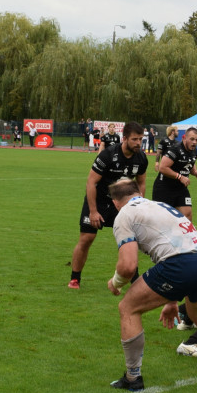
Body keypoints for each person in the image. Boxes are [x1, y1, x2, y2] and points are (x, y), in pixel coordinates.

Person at [105, 179, 197, 390]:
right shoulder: (159, 205)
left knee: (128, 308)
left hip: (180, 263)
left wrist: (115, 282)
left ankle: (133, 378)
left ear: (115, 201)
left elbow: (128, 267)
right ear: (139, 192)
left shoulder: (124, 215)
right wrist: (172, 299)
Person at [68, 121, 147, 289]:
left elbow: (141, 184)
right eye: (135, 139)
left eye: (140, 139)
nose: (138, 143)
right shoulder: (107, 155)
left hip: (122, 205)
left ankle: (134, 279)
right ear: (125, 138)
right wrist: (93, 211)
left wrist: (138, 207)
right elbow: (91, 183)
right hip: (99, 201)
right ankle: (75, 279)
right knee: (87, 238)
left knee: (129, 240)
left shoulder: (141, 158)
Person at [152, 126, 197, 221]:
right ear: (184, 138)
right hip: (164, 188)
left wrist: (196, 173)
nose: (194, 142)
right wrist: (180, 177)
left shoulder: (194, 151)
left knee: (187, 215)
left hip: (180, 189)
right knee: (162, 220)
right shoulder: (175, 149)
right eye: (192, 139)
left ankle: (185, 236)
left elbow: (190, 164)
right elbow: (163, 167)